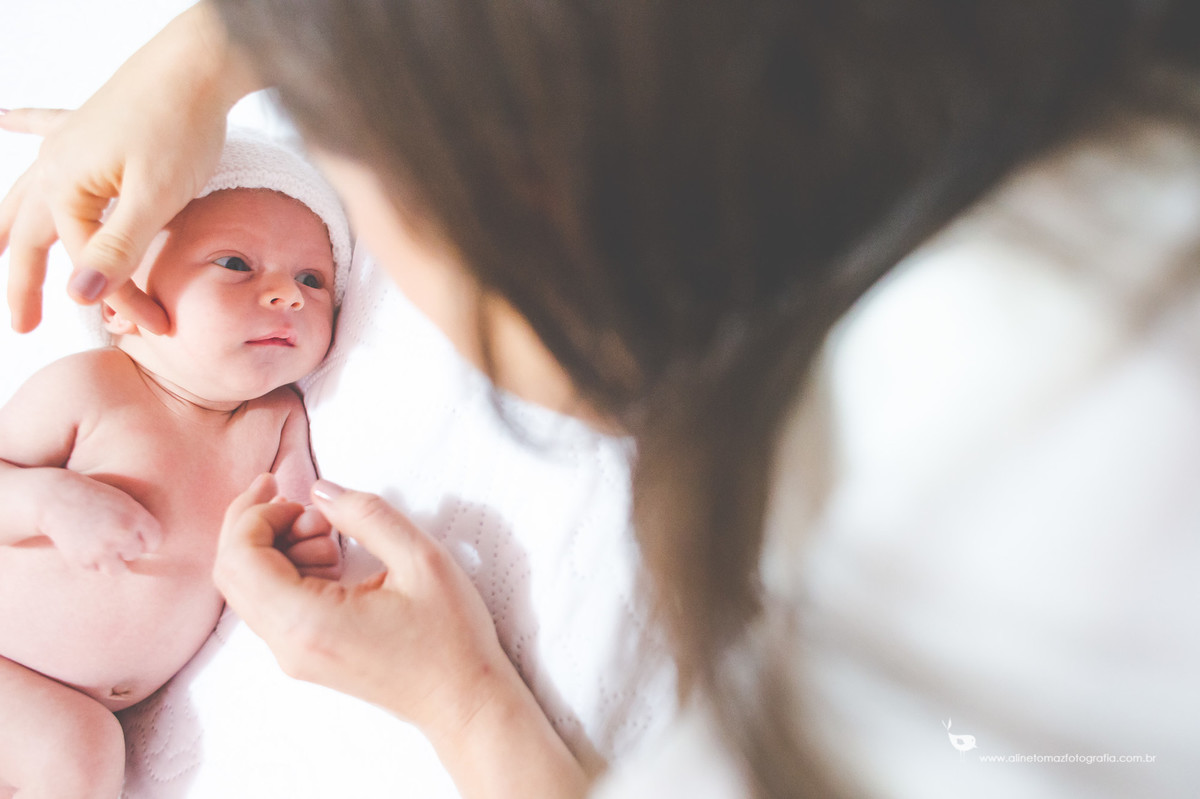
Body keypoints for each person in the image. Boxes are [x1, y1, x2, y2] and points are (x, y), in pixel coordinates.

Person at [2, 1, 1199, 798]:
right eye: (238, 267)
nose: (305, 297)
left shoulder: (1000, 588)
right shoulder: (89, 382)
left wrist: (461, 696)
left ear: (544, 213)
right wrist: (208, 54)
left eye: (326, 270)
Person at [0, 131, 350, 799]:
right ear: (120, 303)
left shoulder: (278, 419)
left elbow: (300, 518)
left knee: (77, 748)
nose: (287, 294)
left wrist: (306, 548)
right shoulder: (91, 386)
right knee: (76, 751)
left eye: (313, 278)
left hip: (73, 711)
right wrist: (48, 501)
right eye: (235, 263)